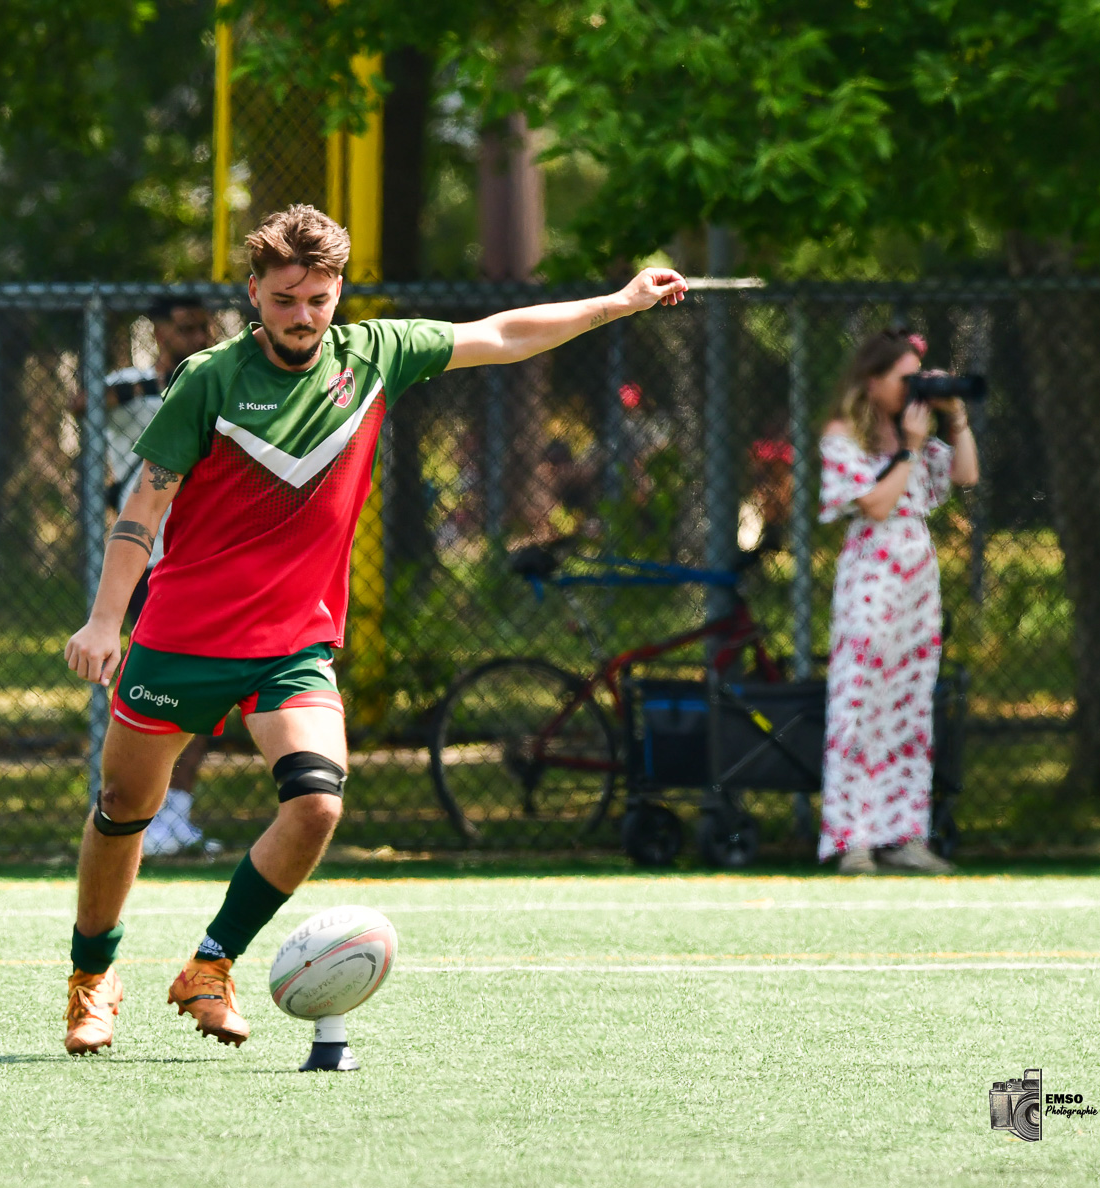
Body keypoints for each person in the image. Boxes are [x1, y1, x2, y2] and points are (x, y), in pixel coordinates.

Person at [60, 203, 686, 1055]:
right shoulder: (209, 378)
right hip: (182, 637)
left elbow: (501, 335)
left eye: (318, 299)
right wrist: (105, 621)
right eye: (285, 299)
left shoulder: (375, 355)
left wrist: (617, 302)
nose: (302, 315)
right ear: (254, 294)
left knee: (317, 803)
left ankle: (210, 964)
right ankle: (92, 977)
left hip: (292, 645)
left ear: (339, 294)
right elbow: (144, 504)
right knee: (124, 809)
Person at [818, 327, 979, 875]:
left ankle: (903, 834)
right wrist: (908, 449)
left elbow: (966, 474)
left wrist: (955, 417)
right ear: (872, 381)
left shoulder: (916, 433)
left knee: (910, 703)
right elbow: (877, 506)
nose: (913, 390)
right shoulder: (844, 436)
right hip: (872, 570)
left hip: (916, 572)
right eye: (904, 379)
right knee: (859, 699)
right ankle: (852, 840)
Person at [100, 296, 215, 855]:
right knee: (153, 685)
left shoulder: (218, 385)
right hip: (148, 559)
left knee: (206, 688)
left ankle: (177, 814)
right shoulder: (132, 386)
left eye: (203, 328)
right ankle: (138, 807)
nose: (198, 337)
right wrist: (167, 384)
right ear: (161, 332)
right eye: (186, 328)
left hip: (204, 556)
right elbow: (84, 402)